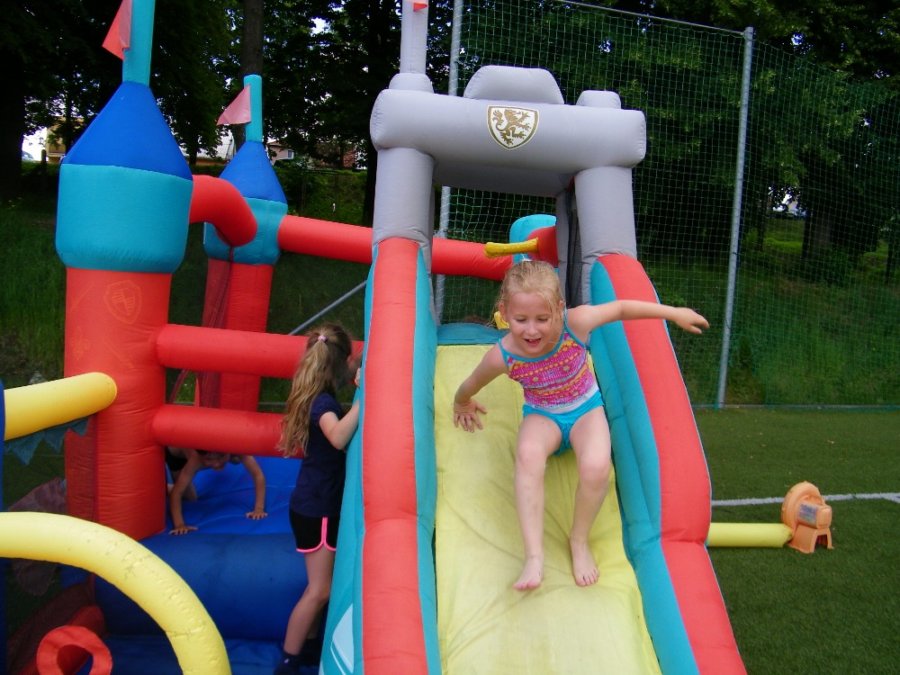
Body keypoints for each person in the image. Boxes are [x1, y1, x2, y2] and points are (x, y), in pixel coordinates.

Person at [453, 260, 708, 591]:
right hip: (543, 413)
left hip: (585, 409)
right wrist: (461, 402)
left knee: (596, 466)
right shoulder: (503, 356)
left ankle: (579, 539)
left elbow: (620, 309)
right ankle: (534, 556)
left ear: (559, 309)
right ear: (505, 313)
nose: (532, 330)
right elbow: (472, 382)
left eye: (542, 319)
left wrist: (673, 313)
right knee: (528, 455)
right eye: (521, 320)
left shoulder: (576, 323)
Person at [274, 323, 361, 675]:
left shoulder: (318, 395)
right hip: (318, 507)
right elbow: (337, 437)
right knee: (319, 590)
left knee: (322, 587)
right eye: (352, 360)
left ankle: (308, 649)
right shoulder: (322, 402)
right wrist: (364, 396)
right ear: (340, 362)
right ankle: (288, 660)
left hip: (315, 502)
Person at [167, 448, 268, 535]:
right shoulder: (196, 459)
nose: (216, 464)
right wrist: (179, 525)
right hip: (175, 454)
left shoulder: (235, 447)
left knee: (239, 457)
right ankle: (165, 487)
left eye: (221, 457)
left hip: (223, 451)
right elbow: (177, 493)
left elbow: (257, 475)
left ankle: (231, 457)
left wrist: (259, 509)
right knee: (189, 498)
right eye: (209, 459)